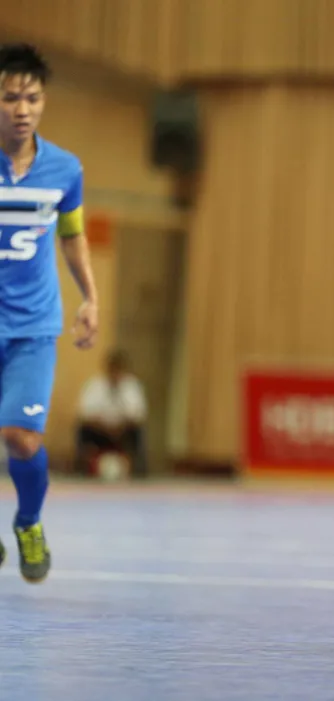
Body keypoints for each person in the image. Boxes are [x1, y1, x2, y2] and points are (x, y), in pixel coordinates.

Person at [0, 44, 99, 582]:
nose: (23, 109)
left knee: (22, 438)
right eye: (11, 97)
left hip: (32, 326)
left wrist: (91, 297)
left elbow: (72, 235)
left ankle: (28, 522)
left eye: (33, 98)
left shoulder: (65, 169)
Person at [75, 349, 148, 478]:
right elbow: (85, 414)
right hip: (100, 431)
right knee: (82, 431)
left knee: (138, 433)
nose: (115, 373)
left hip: (123, 430)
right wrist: (104, 427)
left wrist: (120, 427)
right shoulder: (94, 385)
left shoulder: (132, 386)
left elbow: (138, 415)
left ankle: (138, 471)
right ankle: (82, 469)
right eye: (112, 368)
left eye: (118, 369)